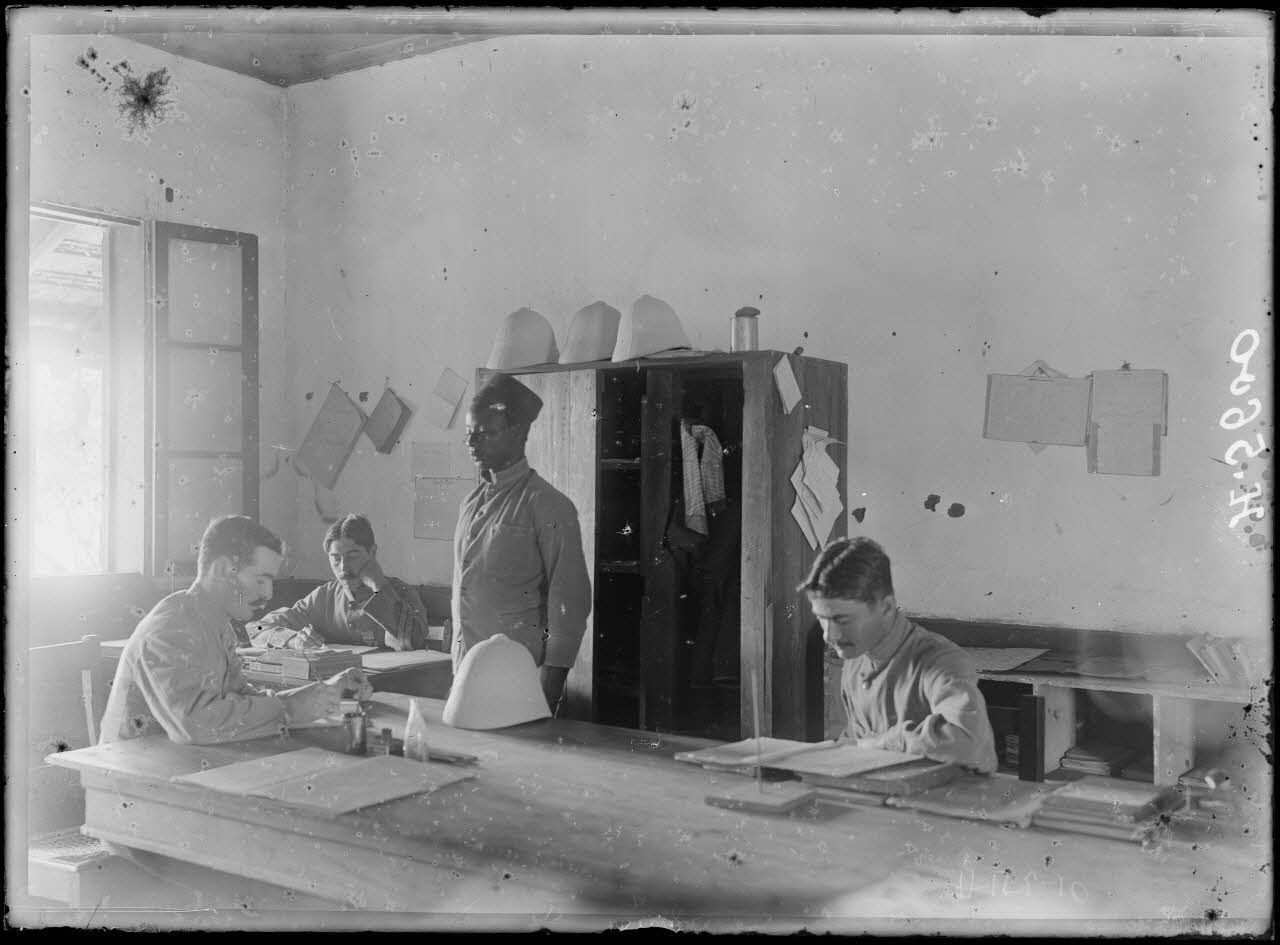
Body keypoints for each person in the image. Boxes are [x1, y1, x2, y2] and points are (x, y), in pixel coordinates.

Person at [100, 515, 372, 745]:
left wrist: (321, 693)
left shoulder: (215, 622)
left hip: (180, 765)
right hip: (129, 777)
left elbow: (242, 697)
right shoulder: (169, 630)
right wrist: (290, 708)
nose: (268, 594)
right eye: (260, 579)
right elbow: (197, 724)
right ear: (222, 570)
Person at [453, 372, 592, 713]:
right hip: (466, 675)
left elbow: (569, 606)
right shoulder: (470, 504)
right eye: (469, 433)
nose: (473, 443)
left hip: (518, 679)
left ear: (518, 434)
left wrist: (548, 694)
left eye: (486, 433)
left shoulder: (548, 505)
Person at [800, 536, 998, 773]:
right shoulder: (856, 660)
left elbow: (968, 743)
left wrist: (884, 743)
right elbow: (858, 742)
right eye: (822, 619)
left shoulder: (941, 661)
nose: (828, 636)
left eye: (842, 620)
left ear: (886, 607)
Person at [246, 514, 429, 651]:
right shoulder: (324, 596)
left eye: (353, 556)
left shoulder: (401, 592)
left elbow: (411, 642)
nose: (343, 567)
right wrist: (292, 640)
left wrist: (379, 586)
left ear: (372, 552)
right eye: (335, 558)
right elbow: (256, 628)